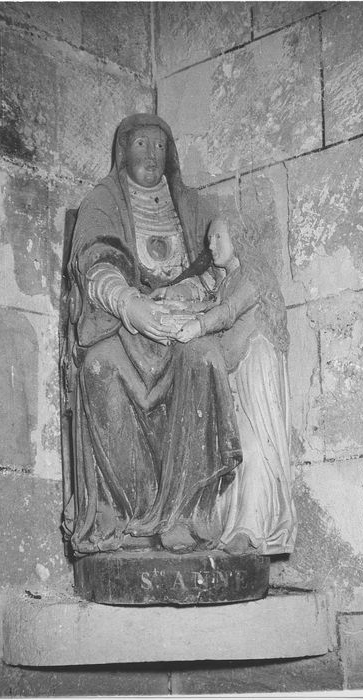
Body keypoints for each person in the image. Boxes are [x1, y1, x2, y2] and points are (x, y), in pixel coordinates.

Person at [62, 114, 242, 556]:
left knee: (204, 359)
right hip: (123, 325)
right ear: (123, 150)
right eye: (141, 144)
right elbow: (93, 262)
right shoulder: (103, 200)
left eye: (160, 146)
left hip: (180, 324)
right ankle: (127, 516)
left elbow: (220, 264)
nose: (151, 155)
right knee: (99, 369)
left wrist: (187, 292)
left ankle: (185, 514)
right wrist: (130, 303)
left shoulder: (191, 203)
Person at [177, 218, 297, 555]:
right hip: (233, 368)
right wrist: (173, 296)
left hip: (256, 364)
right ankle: (234, 526)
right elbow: (209, 298)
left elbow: (228, 312)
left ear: (238, 237)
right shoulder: (226, 280)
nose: (211, 244)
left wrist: (197, 327)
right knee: (238, 445)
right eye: (209, 237)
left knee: (258, 441)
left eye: (218, 236)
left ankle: (252, 529)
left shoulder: (253, 276)